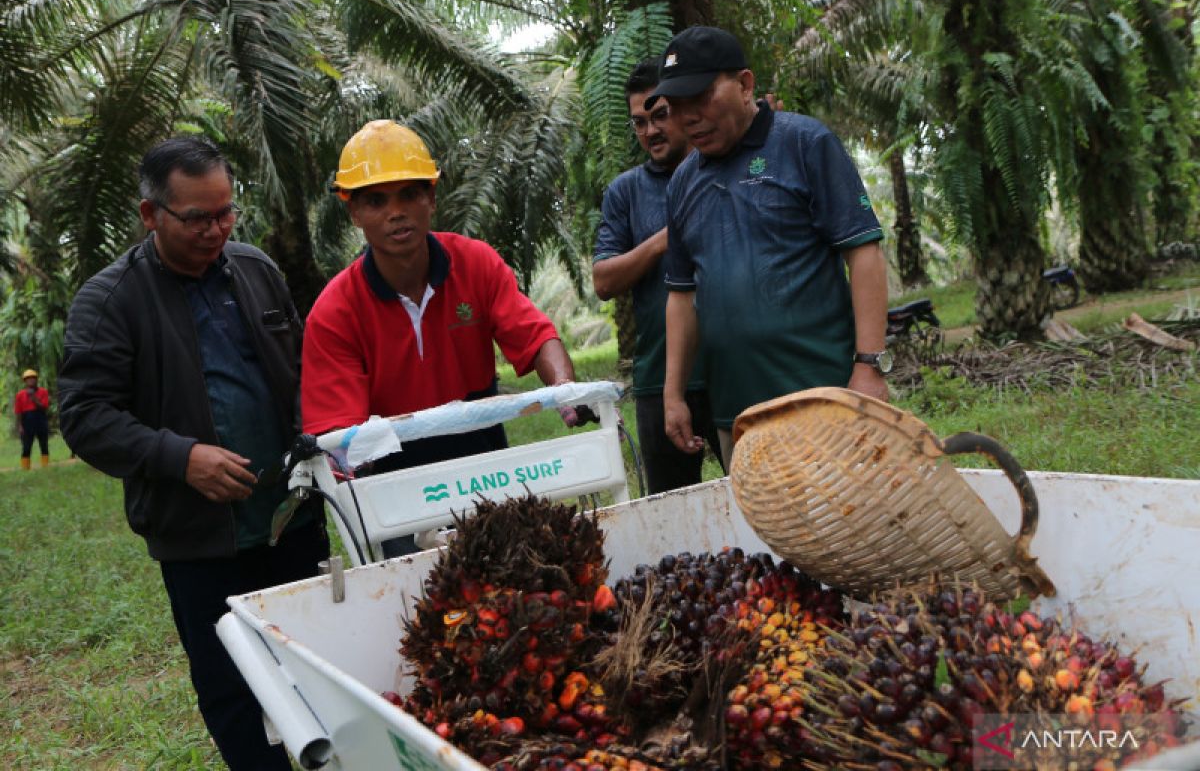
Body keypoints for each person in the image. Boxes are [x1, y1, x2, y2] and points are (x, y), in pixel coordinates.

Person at [58, 136, 327, 771]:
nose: (216, 229)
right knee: (232, 691)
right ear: (151, 215)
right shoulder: (110, 300)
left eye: (226, 212)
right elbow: (85, 416)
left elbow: (299, 372)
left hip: (291, 518)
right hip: (200, 541)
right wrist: (182, 458)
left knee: (317, 671)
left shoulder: (254, 268)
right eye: (197, 218)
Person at [302, 120, 584, 556]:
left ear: (431, 197)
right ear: (354, 212)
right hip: (394, 475)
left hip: (483, 461)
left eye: (410, 194)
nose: (396, 212)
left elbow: (536, 336)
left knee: (513, 586)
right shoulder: (335, 311)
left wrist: (565, 389)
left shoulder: (476, 263)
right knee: (416, 603)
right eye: (376, 200)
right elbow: (340, 437)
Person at [647, 26, 891, 469]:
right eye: (676, 107)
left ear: (744, 85)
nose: (689, 118)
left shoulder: (804, 144)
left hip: (823, 397)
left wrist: (870, 366)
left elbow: (865, 254)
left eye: (701, 98)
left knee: (843, 524)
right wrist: (673, 395)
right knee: (759, 532)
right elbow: (681, 296)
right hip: (737, 414)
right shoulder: (683, 182)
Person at [592, 59, 723, 493]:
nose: (650, 131)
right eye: (639, 123)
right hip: (658, 381)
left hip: (734, 370)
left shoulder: (723, 169)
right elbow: (603, 281)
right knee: (670, 509)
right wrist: (664, 241)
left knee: (764, 499)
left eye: (660, 115)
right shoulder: (625, 192)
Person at [14, 368, 50, 469]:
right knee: (26, 446)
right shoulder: (20, 395)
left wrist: (33, 398)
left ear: (36, 380)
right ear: (25, 381)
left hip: (40, 419)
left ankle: (45, 467)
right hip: (27, 421)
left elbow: (44, 407)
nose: (31, 380)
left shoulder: (43, 392)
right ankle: (25, 468)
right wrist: (20, 426)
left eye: (33, 378)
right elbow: (18, 412)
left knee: (44, 445)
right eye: (28, 379)